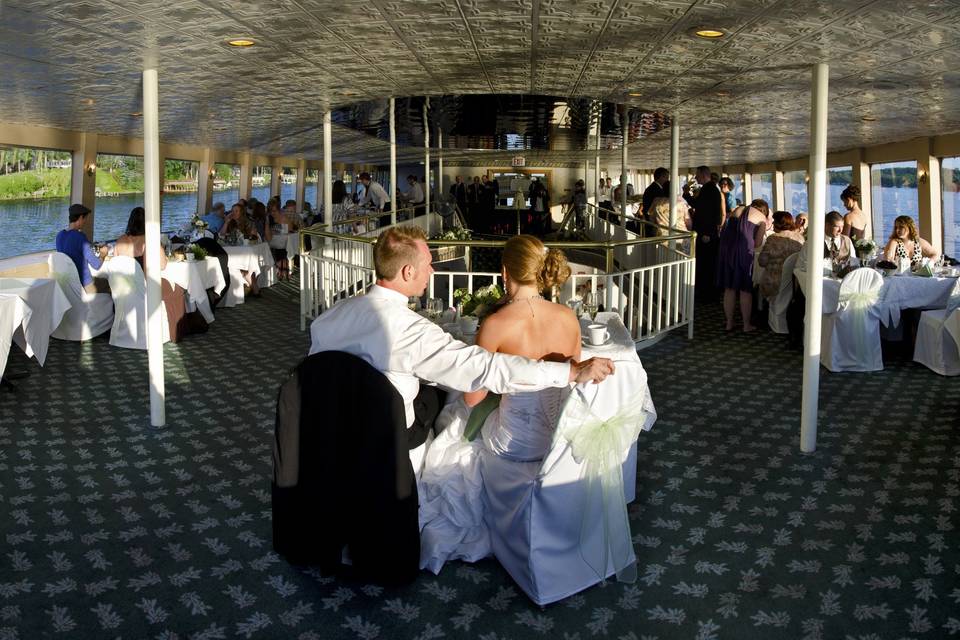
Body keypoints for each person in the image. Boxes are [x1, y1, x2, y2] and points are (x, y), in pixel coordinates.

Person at [308, 225, 614, 475]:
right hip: (388, 441)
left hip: (327, 433)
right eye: (427, 265)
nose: (432, 272)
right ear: (407, 273)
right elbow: (482, 369)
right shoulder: (411, 330)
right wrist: (570, 371)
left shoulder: (326, 320)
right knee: (440, 406)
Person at [417, 234, 582, 572]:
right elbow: (570, 382)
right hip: (556, 441)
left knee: (455, 418)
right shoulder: (568, 318)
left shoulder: (495, 324)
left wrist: (504, 386)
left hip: (513, 444)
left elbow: (474, 396)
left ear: (505, 272)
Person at [114, 207, 206, 341]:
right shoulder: (150, 240)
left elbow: (117, 264)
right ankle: (176, 329)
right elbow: (162, 265)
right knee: (179, 289)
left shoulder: (120, 241)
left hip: (126, 288)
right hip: (146, 287)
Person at [718, 204, 767, 332]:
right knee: (745, 290)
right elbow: (757, 243)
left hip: (727, 249)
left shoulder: (738, 209)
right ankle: (746, 325)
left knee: (729, 288)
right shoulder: (762, 218)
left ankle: (729, 323)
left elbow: (726, 227)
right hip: (743, 252)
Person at [683, 165, 724, 301]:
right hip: (707, 230)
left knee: (706, 263)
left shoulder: (709, 189)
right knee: (706, 263)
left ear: (704, 174)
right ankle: (706, 292)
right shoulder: (710, 189)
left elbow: (705, 211)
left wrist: (706, 233)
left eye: (697, 175)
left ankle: (708, 293)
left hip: (706, 232)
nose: (696, 177)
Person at [55, 203, 108, 293]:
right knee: (112, 284)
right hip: (85, 285)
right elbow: (97, 265)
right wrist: (103, 253)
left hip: (69, 284)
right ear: (80, 218)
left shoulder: (59, 236)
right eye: (85, 218)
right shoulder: (80, 237)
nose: (85, 222)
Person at [757, 211, 805, 299]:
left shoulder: (773, 239)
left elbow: (762, 261)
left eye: (774, 221)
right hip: (794, 281)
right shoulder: (800, 238)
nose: (772, 223)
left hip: (774, 282)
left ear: (778, 223)